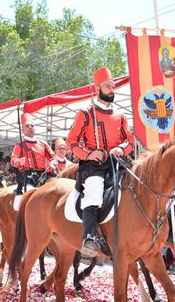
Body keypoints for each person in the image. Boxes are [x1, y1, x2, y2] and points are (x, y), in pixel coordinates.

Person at [66, 66, 134, 258]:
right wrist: (89, 154)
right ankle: (88, 238)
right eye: (107, 87)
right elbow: (71, 141)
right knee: (94, 192)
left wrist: (121, 148)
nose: (112, 90)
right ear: (97, 88)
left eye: (113, 87)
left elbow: (130, 141)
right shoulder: (85, 113)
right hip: (93, 165)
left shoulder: (120, 115)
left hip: (117, 162)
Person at [11, 112, 55, 194]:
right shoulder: (19, 145)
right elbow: (13, 161)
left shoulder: (43, 143)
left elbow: (53, 157)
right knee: (28, 192)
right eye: (27, 126)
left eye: (32, 125)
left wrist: (53, 163)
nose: (30, 127)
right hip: (27, 175)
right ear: (22, 129)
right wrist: (19, 161)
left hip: (44, 174)